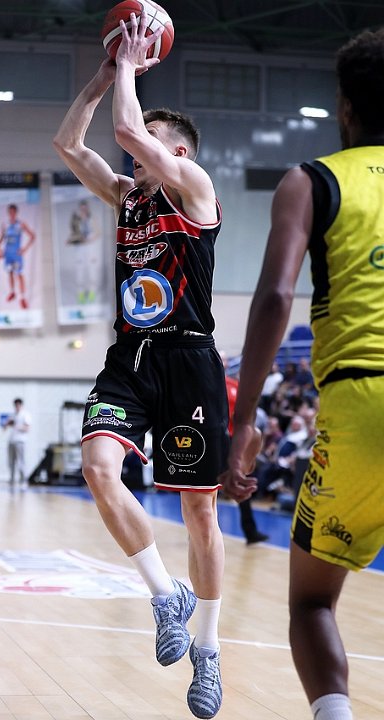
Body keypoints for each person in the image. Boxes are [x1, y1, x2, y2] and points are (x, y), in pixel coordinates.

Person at [53, 11, 238, 718]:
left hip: (189, 359)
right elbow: (69, 143)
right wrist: (105, 77)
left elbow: (130, 132)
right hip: (130, 357)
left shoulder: (196, 190)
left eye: (153, 144)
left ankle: (208, 648)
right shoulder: (128, 198)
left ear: (179, 152)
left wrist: (131, 64)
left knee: (199, 512)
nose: (133, 154)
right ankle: (166, 597)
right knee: (98, 468)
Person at [221, 27, 384, 720]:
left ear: (345, 107)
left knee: (312, 600)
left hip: (362, 397)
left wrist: (243, 421)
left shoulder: (313, 180)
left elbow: (274, 298)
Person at [220, 352, 268, 544]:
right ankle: (199, 533)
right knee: (206, 489)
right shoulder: (207, 385)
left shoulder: (235, 386)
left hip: (235, 442)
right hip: (215, 440)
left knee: (242, 483)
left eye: (225, 360)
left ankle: (250, 532)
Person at [0, 203, 35, 309]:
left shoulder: (21, 224)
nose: (12, 214)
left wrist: (25, 249)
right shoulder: (5, 224)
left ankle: (22, 298)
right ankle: (12, 292)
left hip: (16, 254)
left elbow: (32, 236)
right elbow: (2, 238)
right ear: (8, 213)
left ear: (16, 212)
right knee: (10, 272)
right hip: (7, 254)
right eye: (10, 212)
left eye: (13, 212)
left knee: (19, 274)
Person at [4, 398, 31, 487]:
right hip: (12, 440)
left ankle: (23, 480)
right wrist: (7, 423)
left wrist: (17, 426)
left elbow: (27, 428)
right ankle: (12, 479)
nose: (17, 406)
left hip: (20, 441)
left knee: (21, 461)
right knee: (11, 461)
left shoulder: (25, 415)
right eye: (16, 405)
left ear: (21, 405)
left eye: (18, 405)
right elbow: (5, 427)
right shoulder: (13, 415)